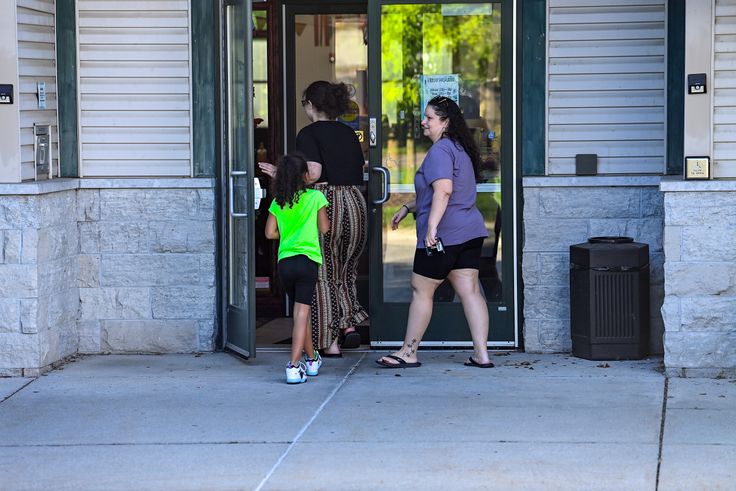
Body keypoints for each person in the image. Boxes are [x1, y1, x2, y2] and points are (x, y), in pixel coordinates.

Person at [376, 95, 494, 369]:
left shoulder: (440, 151)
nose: (423, 122)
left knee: (421, 290)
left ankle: (408, 351)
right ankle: (482, 355)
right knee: (470, 291)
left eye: (429, 117)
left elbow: (443, 190)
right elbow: (435, 191)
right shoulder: (459, 149)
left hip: (445, 234)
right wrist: (407, 207)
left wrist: (431, 227)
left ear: (445, 122)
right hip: (469, 231)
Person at [260, 81, 368, 357]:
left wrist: (281, 174)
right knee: (346, 269)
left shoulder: (308, 134)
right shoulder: (349, 133)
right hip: (355, 203)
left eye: (304, 103)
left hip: (327, 202)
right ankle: (348, 327)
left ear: (311, 105)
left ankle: (328, 343)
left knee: (321, 274)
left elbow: (315, 173)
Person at [265, 154, 330, 384]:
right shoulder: (315, 197)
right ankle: (294, 365)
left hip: (285, 263)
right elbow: (324, 228)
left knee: (302, 313)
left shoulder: (278, 202)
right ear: (305, 176)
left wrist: (289, 233)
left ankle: (312, 360)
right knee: (301, 313)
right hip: (307, 261)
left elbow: (270, 233)